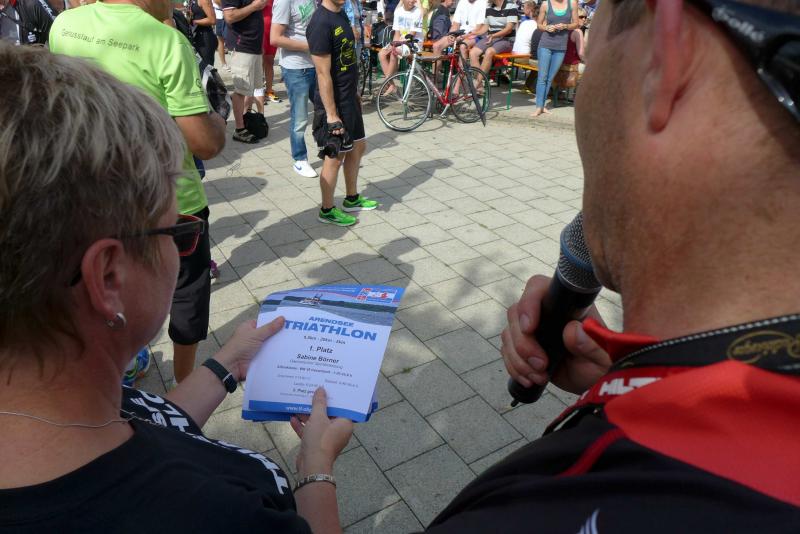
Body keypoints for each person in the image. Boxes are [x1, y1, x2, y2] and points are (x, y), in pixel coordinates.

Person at [426, 0, 800, 531]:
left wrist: (315, 473)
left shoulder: (542, 510)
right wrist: (627, 385)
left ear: (665, 56)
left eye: (591, 48)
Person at [0, 44, 356, 533]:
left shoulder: (59, 399)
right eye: (176, 231)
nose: (184, 246)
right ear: (109, 278)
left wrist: (227, 364)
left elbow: (147, 421)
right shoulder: (215, 516)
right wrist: (316, 467)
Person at [49, 0, 226, 387]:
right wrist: (217, 120)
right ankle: (184, 385)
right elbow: (204, 143)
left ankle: (119, 369)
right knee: (188, 293)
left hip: (94, 195)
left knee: (110, 286)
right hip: (170, 202)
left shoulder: (64, 25)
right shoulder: (167, 41)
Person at [306, 0, 378, 226]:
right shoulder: (320, 22)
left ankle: (352, 198)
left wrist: (354, 91)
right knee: (335, 156)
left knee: (358, 146)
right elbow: (322, 73)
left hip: (349, 97)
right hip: (333, 103)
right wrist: (331, 114)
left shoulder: (341, 14)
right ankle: (327, 210)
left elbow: (345, 59)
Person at [271, 0, 318, 178]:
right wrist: (311, 46)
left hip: (316, 64)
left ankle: (328, 148)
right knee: (300, 117)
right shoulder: (285, 2)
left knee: (325, 109)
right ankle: (300, 159)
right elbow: (275, 38)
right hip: (296, 68)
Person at [223, 0, 267, 143]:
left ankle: (246, 119)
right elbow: (229, 16)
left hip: (254, 46)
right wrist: (254, 6)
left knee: (251, 88)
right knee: (240, 91)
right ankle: (239, 129)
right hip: (242, 46)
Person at [531, 0, 578, 117]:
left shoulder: (572, 3)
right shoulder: (546, 4)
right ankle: (539, 106)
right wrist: (547, 28)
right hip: (545, 45)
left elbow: (576, 24)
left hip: (561, 47)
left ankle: (542, 105)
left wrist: (566, 26)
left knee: (550, 78)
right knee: (542, 77)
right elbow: (539, 25)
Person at [377, 0, 422, 95]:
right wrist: (394, 44)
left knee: (394, 52)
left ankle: (385, 83)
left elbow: (412, 34)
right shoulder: (398, 11)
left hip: (413, 43)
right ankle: (391, 85)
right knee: (381, 54)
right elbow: (397, 34)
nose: (412, 1)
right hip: (400, 42)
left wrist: (397, 46)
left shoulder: (417, 12)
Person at [468, 0, 517, 78]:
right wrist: (473, 33)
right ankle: (479, 83)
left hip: (507, 39)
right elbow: (485, 27)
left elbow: (509, 29)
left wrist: (493, 36)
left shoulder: (511, 6)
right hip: (492, 37)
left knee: (489, 52)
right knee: (473, 53)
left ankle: (477, 82)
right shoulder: (489, 7)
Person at [262, 0, 281, 102]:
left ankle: (269, 91)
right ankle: (258, 93)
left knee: (269, 61)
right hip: (259, 28)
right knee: (258, 62)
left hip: (273, 28)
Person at [189, 0, 217, 65]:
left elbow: (212, 20)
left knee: (207, 67)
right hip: (196, 36)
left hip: (205, 37)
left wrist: (194, 22)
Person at [213, 0, 229, 69]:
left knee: (233, 38)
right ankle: (223, 63)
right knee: (220, 39)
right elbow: (216, 1)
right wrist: (228, 7)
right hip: (220, 16)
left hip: (229, 13)